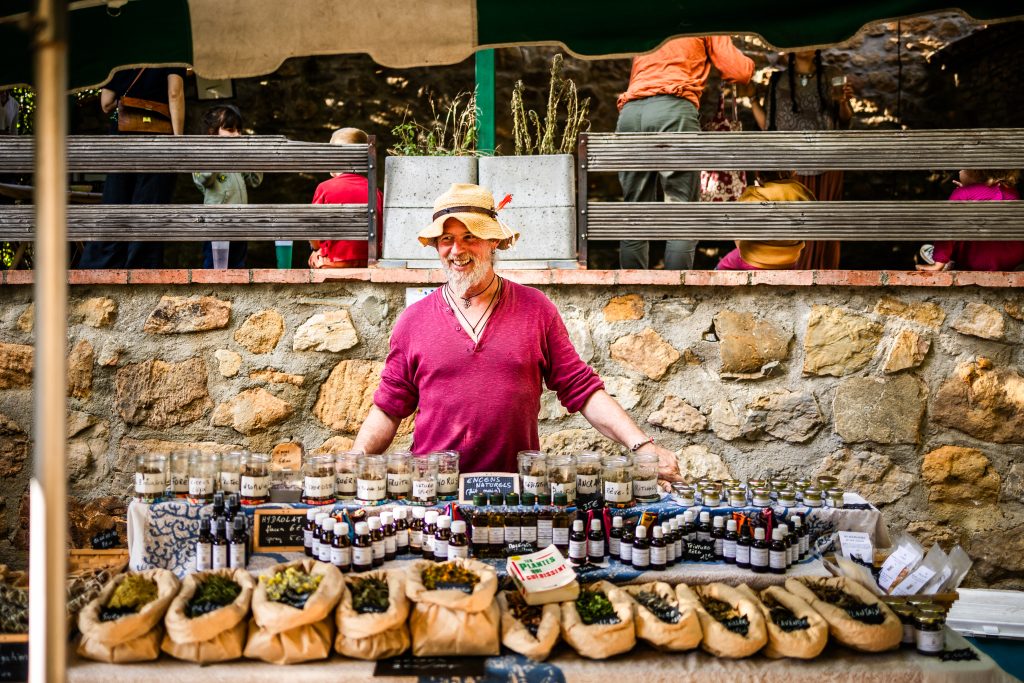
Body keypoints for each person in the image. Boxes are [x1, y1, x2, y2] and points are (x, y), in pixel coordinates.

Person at [352, 183, 681, 483]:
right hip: (434, 492)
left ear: (493, 241)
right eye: (447, 239)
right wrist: (357, 457)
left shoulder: (535, 309)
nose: (457, 250)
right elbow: (389, 407)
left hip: (516, 493)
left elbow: (582, 388)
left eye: (470, 237)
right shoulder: (414, 321)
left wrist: (641, 446)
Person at [616, 36, 754, 270]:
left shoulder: (652, 16)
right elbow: (738, 70)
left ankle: (633, 294)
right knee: (682, 209)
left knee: (635, 210)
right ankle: (675, 294)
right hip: (673, 109)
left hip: (631, 112)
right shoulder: (703, 17)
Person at [749, 49, 854, 269]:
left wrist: (843, 101)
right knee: (794, 224)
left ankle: (825, 279)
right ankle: (794, 276)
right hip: (790, 168)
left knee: (825, 226)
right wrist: (752, 99)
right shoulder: (778, 80)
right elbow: (768, 127)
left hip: (827, 162)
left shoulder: (831, 74)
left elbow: (845, 120)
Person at [79, 67, 185, 269]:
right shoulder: (170, 48)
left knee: (116, 200)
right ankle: (141, 268)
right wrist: (178, 141)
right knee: (150, 206)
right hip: (158, 139)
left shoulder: (123, 54)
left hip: (123, 135)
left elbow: (106, 103)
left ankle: (102, 268)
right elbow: (174, 92)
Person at [192, 105, 262, 268]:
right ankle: (212, 293)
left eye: (239, 130)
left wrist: (255, 157)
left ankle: (235, 294)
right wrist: (218, 152)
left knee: (238, 267)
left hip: (239, 225)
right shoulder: (202, 156)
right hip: (217, 226)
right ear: (212, 133)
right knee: (214, 267)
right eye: (230, 130)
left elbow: (255, 180)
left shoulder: (236, 159)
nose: (237, 135)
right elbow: (204, 178)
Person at [917, 169, 1022, 272]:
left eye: (963, 168)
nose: (959, 171)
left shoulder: (962, 193)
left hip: (978, 262)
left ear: (976, 172)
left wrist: (938, 263)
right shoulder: (1013, 193)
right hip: (1012, 260)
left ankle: (946, 260)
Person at [308, 127, 382, 268]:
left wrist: (316, 249)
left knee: (314, 256)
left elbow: (314, 237)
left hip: (334, 262)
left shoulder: (324, 188)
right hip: (369, 263)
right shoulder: (376, 192)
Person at [716, 172, 815, 270]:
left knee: (722, 266)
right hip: (790, 260)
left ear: (759, 174)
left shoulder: (754, 193)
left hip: (754, 260)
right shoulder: (800, 190)